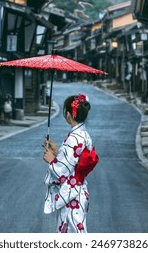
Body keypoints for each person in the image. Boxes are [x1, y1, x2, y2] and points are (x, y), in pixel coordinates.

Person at [42, 94, 98, 233]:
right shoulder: (83, 134)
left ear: (68, 114)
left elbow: (62, 171)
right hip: (79, 190)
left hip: (72, 194)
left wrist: (51, 161)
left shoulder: (74, 137)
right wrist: (57, 151)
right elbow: (72, 161)